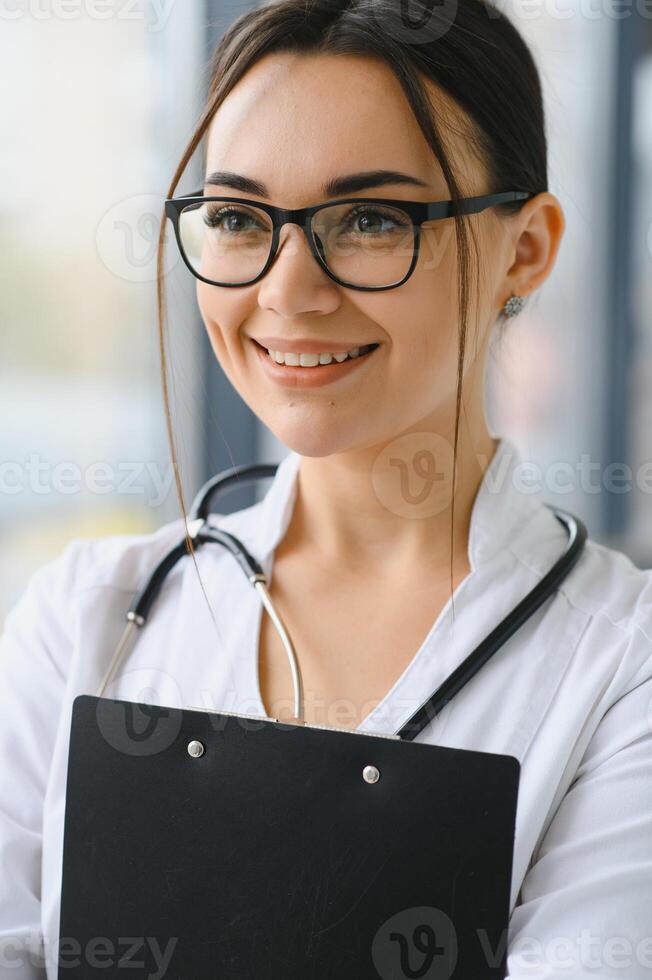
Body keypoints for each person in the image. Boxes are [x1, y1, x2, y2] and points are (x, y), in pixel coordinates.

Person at [2, 0, 652, 977]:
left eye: (369, 219)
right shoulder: (85, 614)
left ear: (523, 250)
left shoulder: (622, 664)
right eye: (234, 217)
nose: (288, 291)